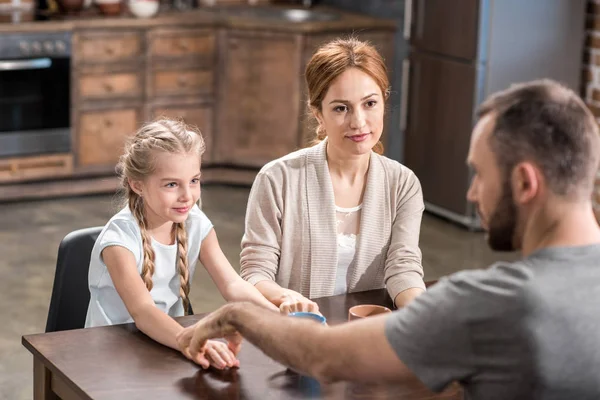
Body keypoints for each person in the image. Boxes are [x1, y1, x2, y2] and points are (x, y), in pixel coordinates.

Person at [177, 79, 600, 399]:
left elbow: (325, 356)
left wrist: (238, 315)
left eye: (480, 175)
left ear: (525, 183)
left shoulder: (490, 304)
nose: (472, 193)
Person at [240, 37, 426, 313]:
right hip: (298, 331)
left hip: (365, 332)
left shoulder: (403, 184)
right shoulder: (277, 179)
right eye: (341, 108)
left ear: (384, 102)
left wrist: (426, 314)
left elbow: (403, 266)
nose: (358, 122)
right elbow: (255, 272)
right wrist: (284, 297)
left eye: (370, 104)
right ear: (318, 114)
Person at [84, 118, 278, 370]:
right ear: (137, 184)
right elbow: (143, 312)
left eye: (194, 181)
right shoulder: (118, 241)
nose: (187, 196)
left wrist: (280, 319)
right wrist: (194, 340)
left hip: (167, 341)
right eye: (172, 184)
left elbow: (232, 284)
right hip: (112, 352)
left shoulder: (195, 221)